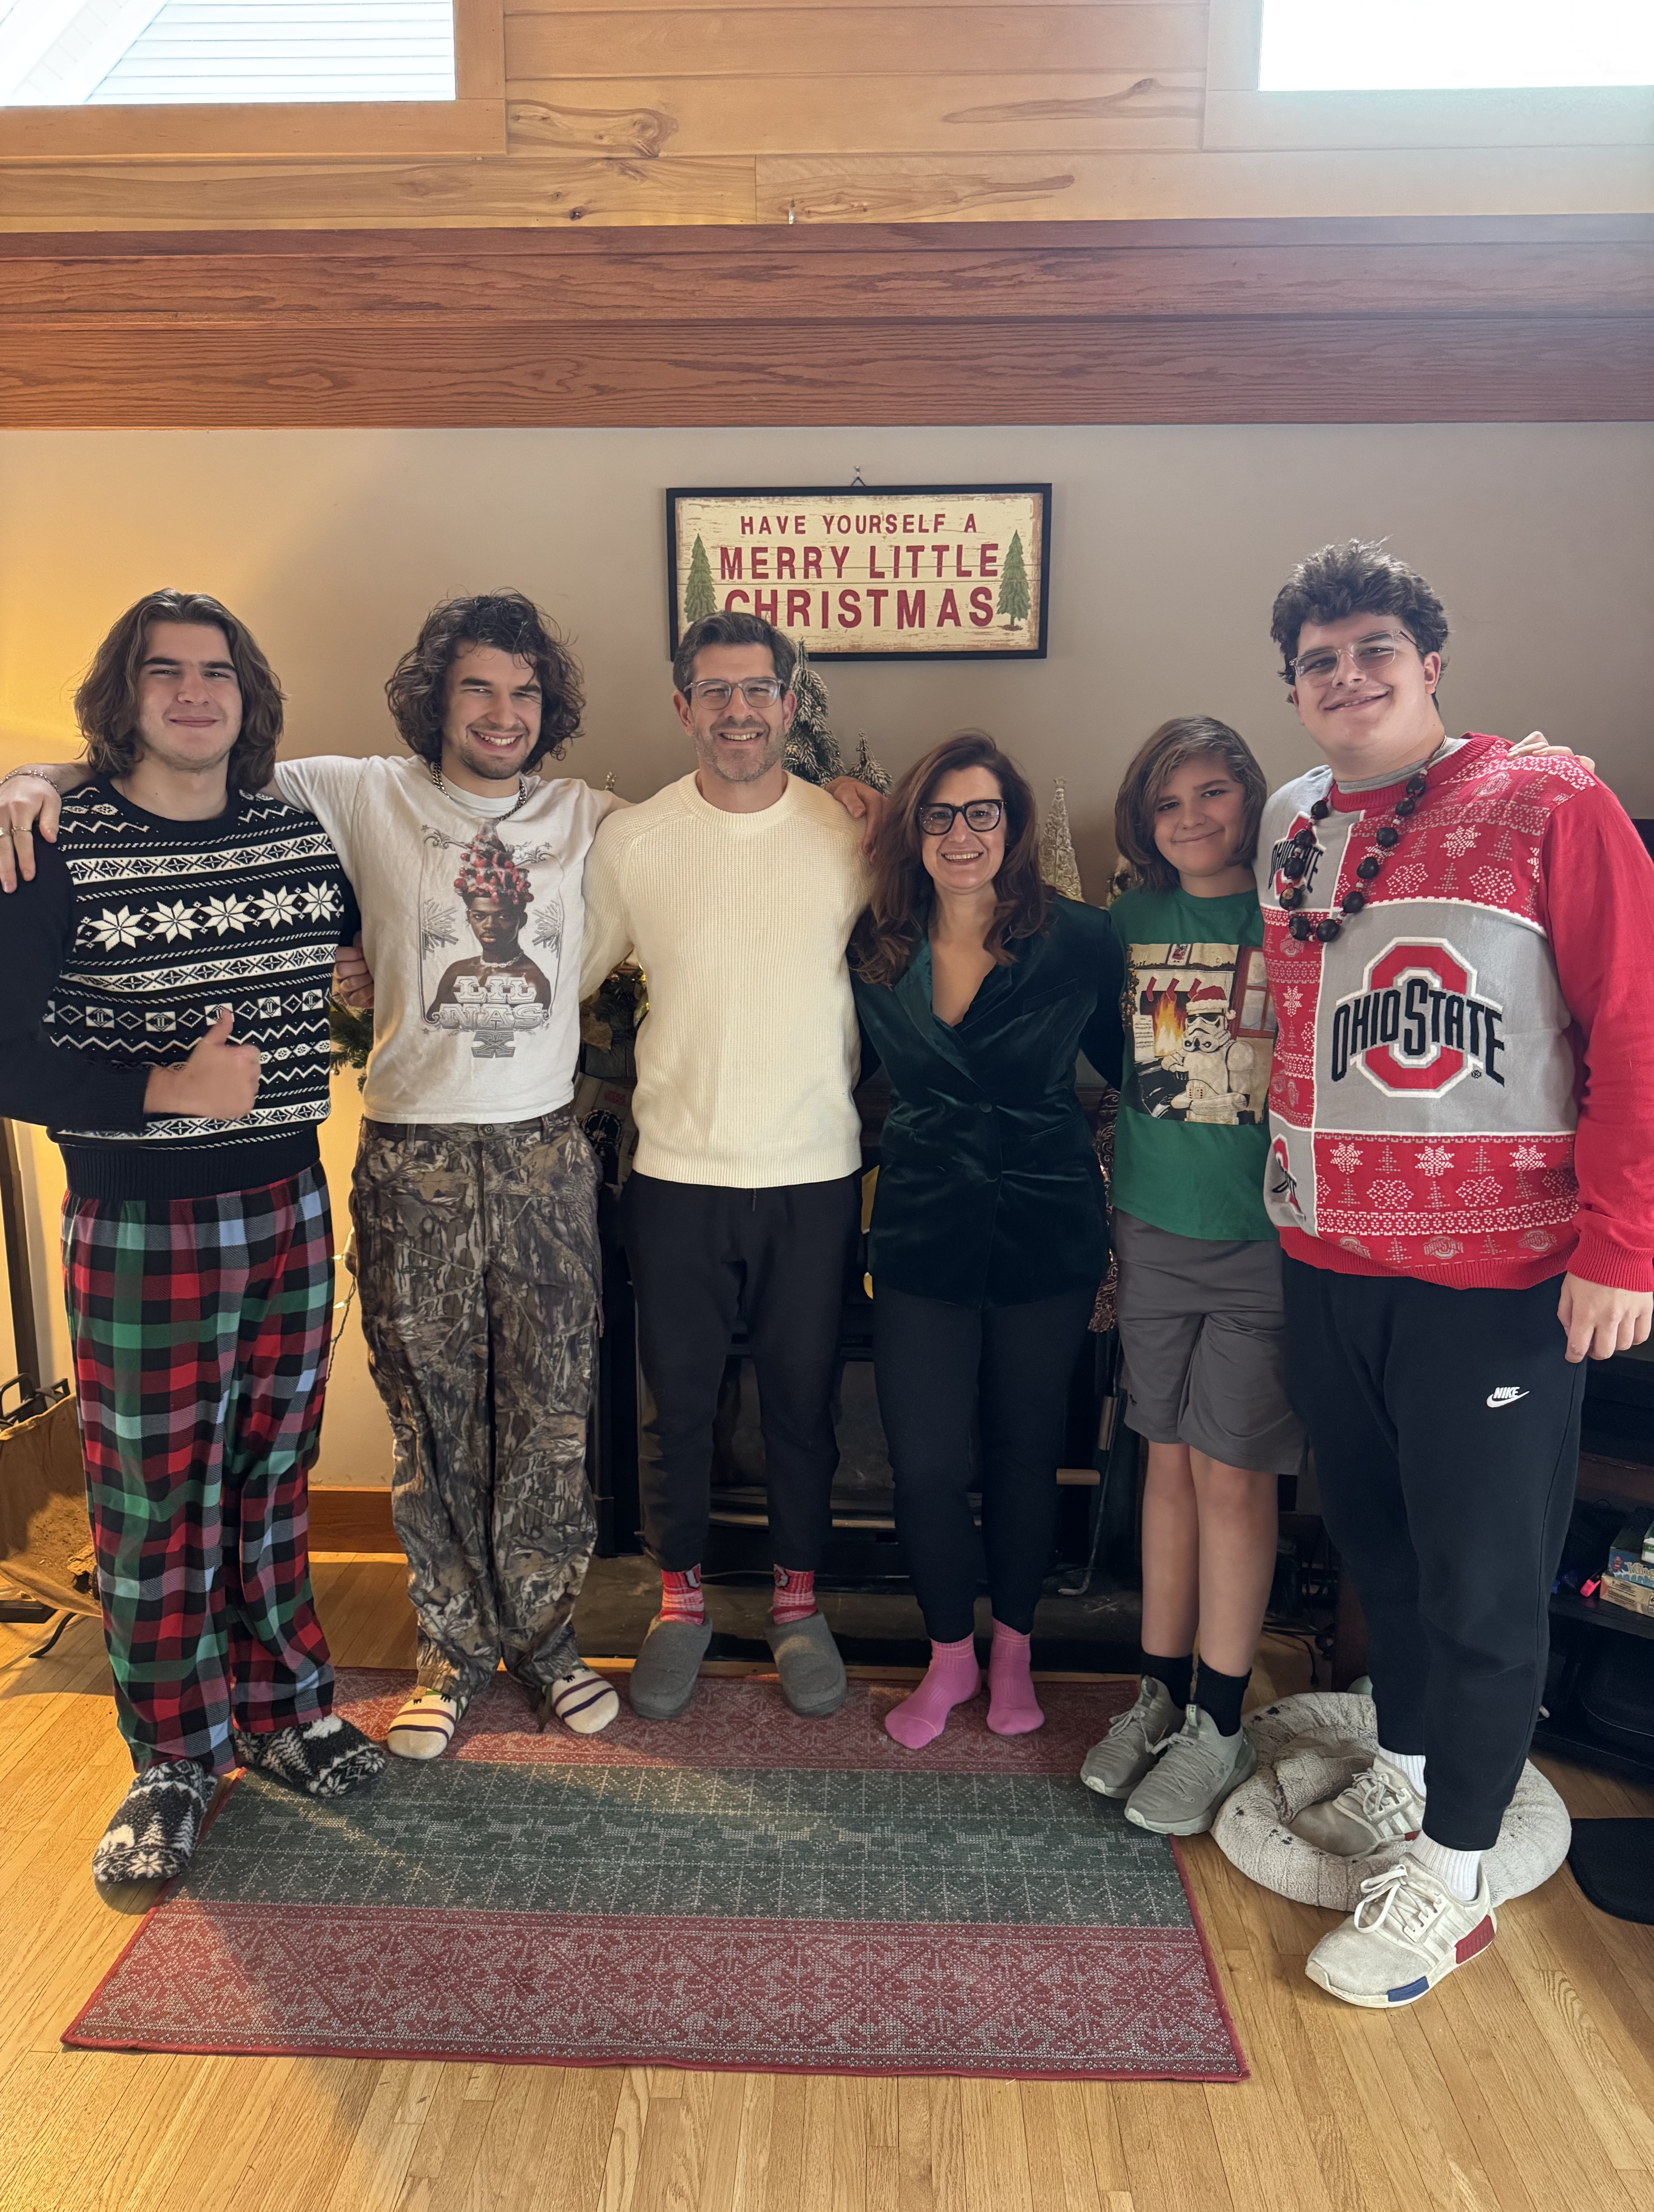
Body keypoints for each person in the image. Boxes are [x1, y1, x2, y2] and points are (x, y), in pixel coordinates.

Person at [5, 591, 627, 1754]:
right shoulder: (346, 793)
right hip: (404, 1157)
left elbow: (712, 821)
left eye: (526, 691)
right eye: (477, 687)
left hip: (536, 1155)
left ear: (550, 709)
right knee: (421, 1420)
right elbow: (161, 765)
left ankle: (541, 1644)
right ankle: (445, 1652)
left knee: (544, 1420)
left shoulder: (585, 815)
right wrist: (29, 777)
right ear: (437, 698)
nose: (502, 712)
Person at [1258, 540, 1654, 2009]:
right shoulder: (1299, 823)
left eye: (1373, 650)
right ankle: (1412, 1777)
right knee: (1389, 1557)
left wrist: (1625, 1248)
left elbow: (1636, 1027)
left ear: (1430, 663)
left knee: (1487, 1586)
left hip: (1499, 1278)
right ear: (1295, 689)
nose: (1346, 678)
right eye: (1317, 660)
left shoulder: (1555, 800)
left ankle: (1461, 1873)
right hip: (1326, 1258)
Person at [0, 589, 384, 1884]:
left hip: (286, 1200)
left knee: (275, 1473)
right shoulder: (51, 843)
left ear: (246, 694)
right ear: (125, 697)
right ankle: (170, 1756)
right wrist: (161, 1092)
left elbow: (346, 957)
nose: (193, 693)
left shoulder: (290, 831)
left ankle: (285, 1712)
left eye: (215, 672)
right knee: (154, 1499)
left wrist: (360, 980)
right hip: (141, 1217)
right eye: (163, 673)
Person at [577, 610, 872, 1723]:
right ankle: (680, 1600)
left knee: (803, 1402)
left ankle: (799, 1603)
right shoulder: (635, 843)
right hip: (678, 1172)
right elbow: (567, 976)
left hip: (813, 1168)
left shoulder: (848, 837)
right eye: (717, 691)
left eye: (760, 691)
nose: (739, 711)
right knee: (680, 1404)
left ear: (791, 707)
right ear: (683, 705)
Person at [850, 732, 1124, 1746]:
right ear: (911, 830)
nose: (961, 835)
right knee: (923, 1463)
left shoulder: (1083, 939)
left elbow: (1138, 1075)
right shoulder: (872, 945)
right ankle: (948, 1659)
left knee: (1023, 1452)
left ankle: (1014, 1653)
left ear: (1012, 830)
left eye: (983, 815)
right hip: (921, 1226)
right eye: (939, 814)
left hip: (1046, 1224)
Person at [1079, 718, 1304, 1832]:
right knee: (1163, 1460)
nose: (1194, 819)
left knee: (1233, 1474)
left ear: (1252, 803)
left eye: (1217, 794)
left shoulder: (1295, 918)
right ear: (1143, 822)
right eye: (1170, 803)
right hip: (1151, 1229)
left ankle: (1221, 1719)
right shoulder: (1125, 924)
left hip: (1265, 1240)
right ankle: (1157, 1697)